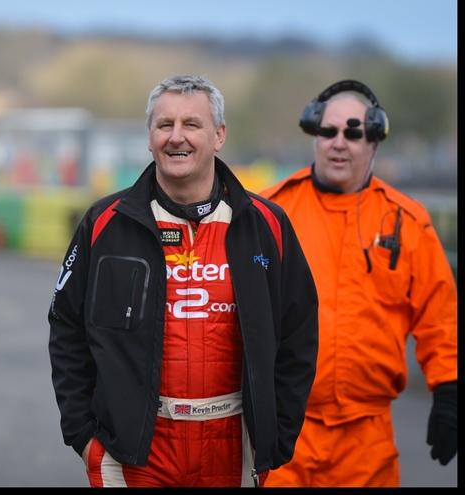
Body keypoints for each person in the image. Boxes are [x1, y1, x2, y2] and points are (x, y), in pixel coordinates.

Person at [47, 75, 319, 487]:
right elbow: (66, 328)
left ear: (219, 135)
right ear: (150, 137)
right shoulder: (105, 223)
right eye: (164, 125)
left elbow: (299, 333)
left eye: (191, 124)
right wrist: (84, 435)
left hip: (230, 446)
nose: (177, 138)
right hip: (135, 450)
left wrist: (277, 433)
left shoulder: (266, 224)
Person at [261, 80, 458, 487]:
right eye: (328, 131)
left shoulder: (407, 222)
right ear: (313, 134)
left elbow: (440, 317)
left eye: (354, 132)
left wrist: (449, 392)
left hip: (367, 442)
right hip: (283, 434)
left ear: (374, 142)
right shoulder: (271, 214)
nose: (339, 142)